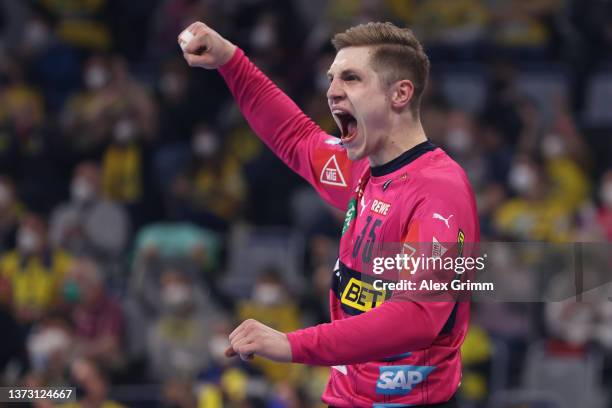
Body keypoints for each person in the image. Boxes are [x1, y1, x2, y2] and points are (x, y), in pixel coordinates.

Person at [180, 21, 479, 407]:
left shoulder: (438, 190)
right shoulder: (364, 167)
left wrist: (291, 343)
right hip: (345, 397)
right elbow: (294, 136)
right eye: (332, 78)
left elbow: (418, 317)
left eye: (351, 79)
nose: (332, 91)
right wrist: (229, 60)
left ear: (400, 93)